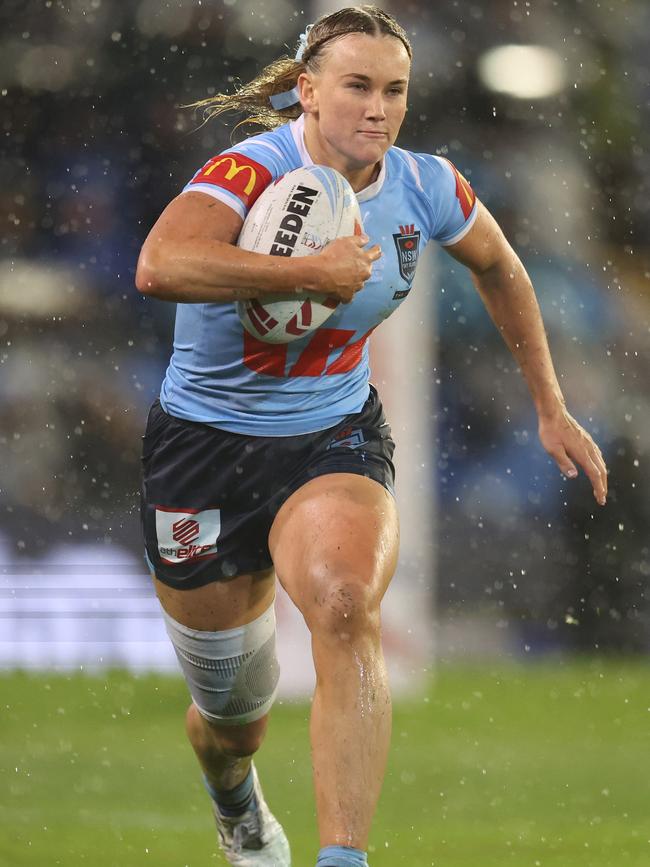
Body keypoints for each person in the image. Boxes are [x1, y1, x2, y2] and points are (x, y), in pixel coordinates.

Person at [135, 6, 608, 866]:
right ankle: (238, 805)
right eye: (356, 86)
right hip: (202, 448)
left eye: (394, 90)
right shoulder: (247, 171)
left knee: (348, 605)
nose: (378, 108)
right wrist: (305, 271)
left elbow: (500, 264)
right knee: (232, 721)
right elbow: (159, 265)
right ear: (307, 92)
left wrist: (549, 402)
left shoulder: (425, 184)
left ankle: (343, 857)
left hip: (331, 435)